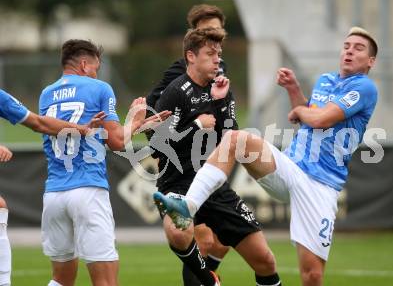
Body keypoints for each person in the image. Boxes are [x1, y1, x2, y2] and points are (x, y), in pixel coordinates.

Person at [155, 26, 379, 286]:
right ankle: (188, 206)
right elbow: (308, 114)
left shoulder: (365, 88)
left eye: (358, 48)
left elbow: (319, 119)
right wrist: (295, 91)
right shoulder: (326, 80)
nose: (350, 50)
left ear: (370, 61)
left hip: (321, 184)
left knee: (312, 275)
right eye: (347, 45)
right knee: (236, 140)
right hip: (290, 167)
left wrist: (303, 113)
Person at [152, 27, 282, 286]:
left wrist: (221, 103)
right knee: (181, 235)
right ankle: (208, 280)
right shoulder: (175, 91)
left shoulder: (221, 90)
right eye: (210, 54)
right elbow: (157, 144)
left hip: (215, 186)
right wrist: (197, 126)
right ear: (191, 56)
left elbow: (231, 140)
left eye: (219, 54)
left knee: (265, 260)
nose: (217, 60)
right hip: (178, 184)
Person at [38, 39, 170, 286]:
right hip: (87, 189)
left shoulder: (47, 94)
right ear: (85, 64)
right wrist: (135, 118)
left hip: (54, 194)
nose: (96, 73)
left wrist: (138, 126)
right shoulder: (99, 88)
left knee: (60, 280)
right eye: (96, 67)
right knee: (106, 281)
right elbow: (117, 141)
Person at [146, 4, 231, 286]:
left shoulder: (221, 68)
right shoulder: (179, 72)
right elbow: (151, 110)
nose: (213, 35)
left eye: (217, 30)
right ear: (193, 36)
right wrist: (162, 147)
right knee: (201, 238)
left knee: (223, 240)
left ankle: (208, 276)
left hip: (211, 160)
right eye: (206, 30)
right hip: (184, 165)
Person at [0, 88, 108, 286]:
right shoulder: (99, 89)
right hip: (84, 186)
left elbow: (37, 122)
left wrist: (81, 129)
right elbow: (38, 122)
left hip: (57, 190)